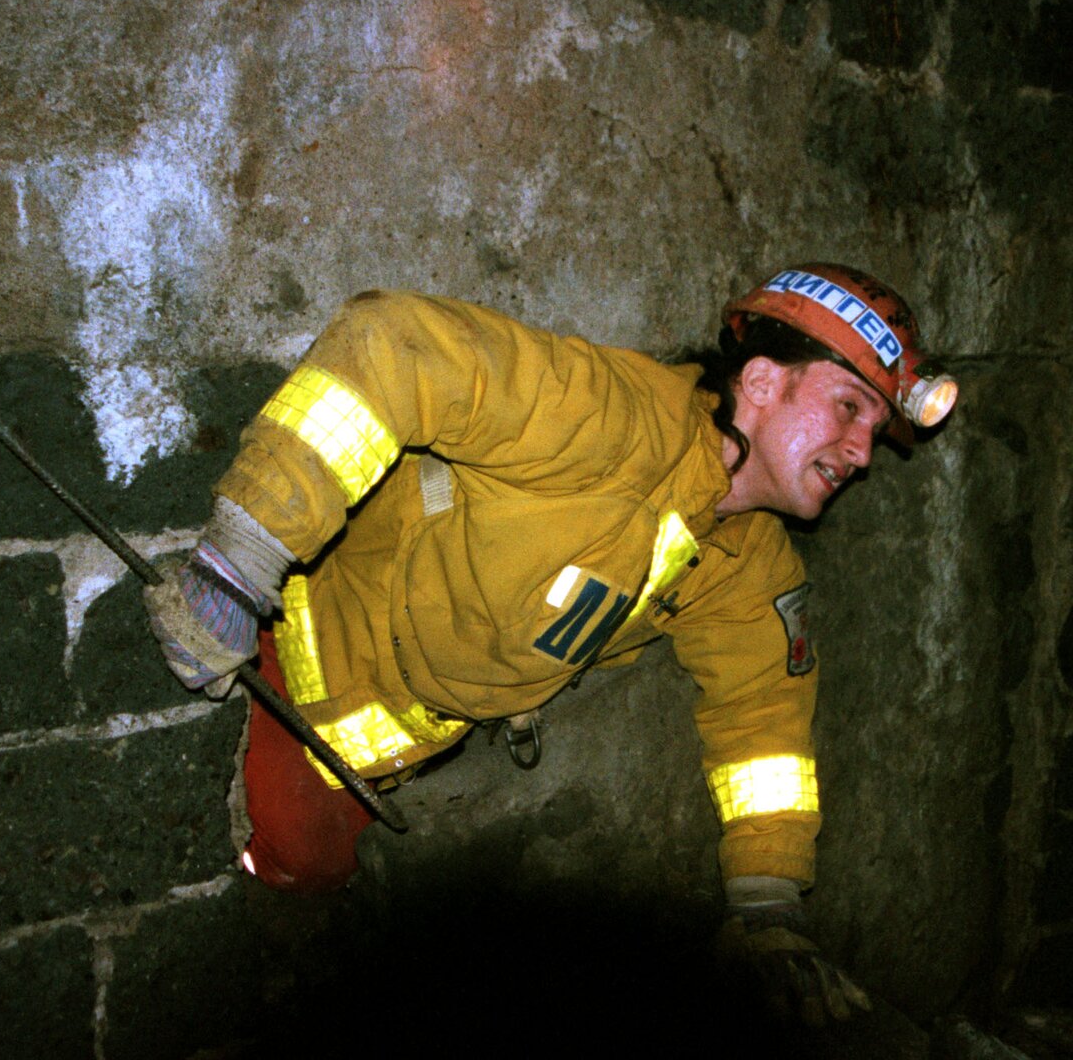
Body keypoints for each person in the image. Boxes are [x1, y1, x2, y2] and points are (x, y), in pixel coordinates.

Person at [145, 263, 957, 1020]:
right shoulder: (615, 418)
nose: (862, 451)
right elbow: (392, 343)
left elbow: (764, 731)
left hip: (382, 754)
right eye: (849, 406)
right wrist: (235, 567)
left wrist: (769, 908)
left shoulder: (744, 559)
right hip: (286, 663)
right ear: (762, 380)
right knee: (280, 903)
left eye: (877, 427)